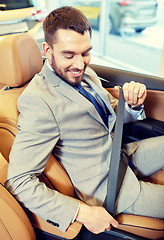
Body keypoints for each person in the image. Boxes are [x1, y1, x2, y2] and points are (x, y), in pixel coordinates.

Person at [5, 6, 164, 235]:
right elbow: (19, 181)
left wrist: (133, 104)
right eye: (69, 55)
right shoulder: (38, 101)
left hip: (121, 154)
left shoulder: (85, 74)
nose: (80, 64)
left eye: (86, 53)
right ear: (47, 50)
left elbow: (110, 114)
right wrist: (83, 212)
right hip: (108, 187)